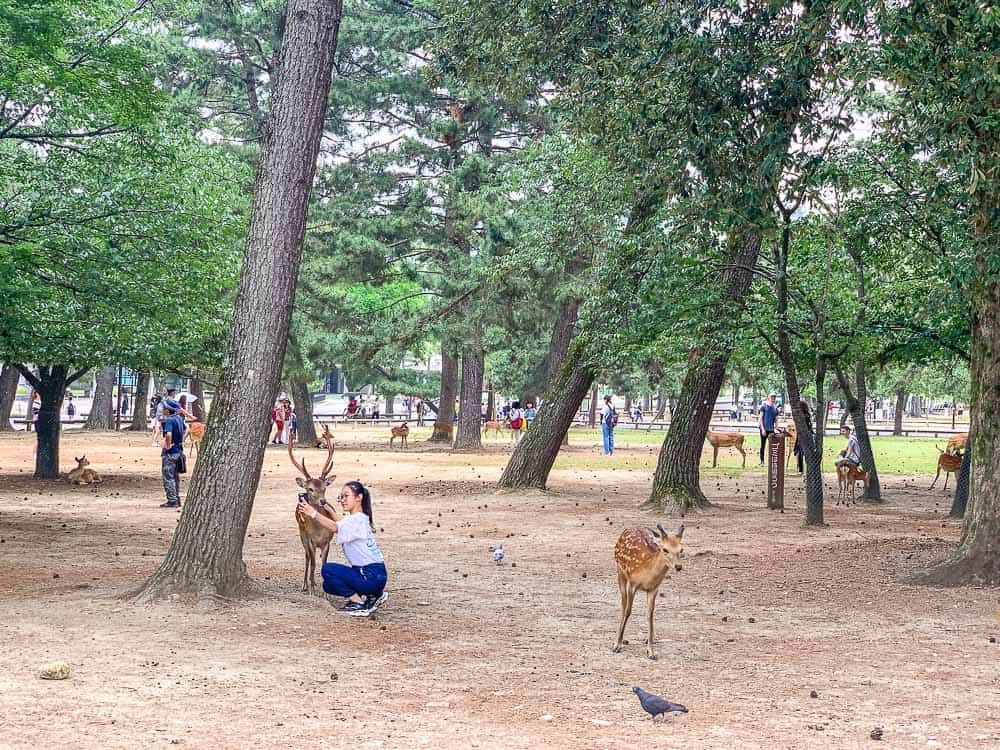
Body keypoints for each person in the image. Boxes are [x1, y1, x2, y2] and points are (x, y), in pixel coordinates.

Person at [297, 481, 388, 617]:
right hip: (375, 575)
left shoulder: (356, 521)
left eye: (346, 496)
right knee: (328, 585)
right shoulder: (359, 519)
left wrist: (313, 513)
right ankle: (374, 595)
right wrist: (326, 507)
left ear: (359, 497)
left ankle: (359, 604)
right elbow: (341, 522)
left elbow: (335, 527)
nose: (342, 500)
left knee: (328, 570)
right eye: (341, 497)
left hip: (370, 575)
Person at [160, 398, 185, 508]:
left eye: (164, 408)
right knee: (175, 477)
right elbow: (186, 429)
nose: (162, 410)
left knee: (168, 477)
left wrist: (168, 445)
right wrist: (180, 440)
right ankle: (176, 498)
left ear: (168, 410)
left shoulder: (169, 420)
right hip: (178, 451)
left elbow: (168, 434)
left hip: (170, 453)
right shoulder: (179, 418)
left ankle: (172, 500)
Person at [758, 392, 779, 466]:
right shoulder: (764, 406)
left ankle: (772, 461)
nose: (773, 399)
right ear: (768, 398)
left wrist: (776, 428)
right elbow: (760, 418)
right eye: (772, 397)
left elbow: (776, 420)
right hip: (764, 429)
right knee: (763, 445)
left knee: (772, 446)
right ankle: (762, 461)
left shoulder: (775, 408)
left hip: (771, 430)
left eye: (774, 398)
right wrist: (763, 429)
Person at [793, 401, 812, 474]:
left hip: (802, 436)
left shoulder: (802, 416)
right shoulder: (807, 415)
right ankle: (801, 469)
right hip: (804, 435)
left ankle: (800, 469)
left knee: (800, 452)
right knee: (800, 452)